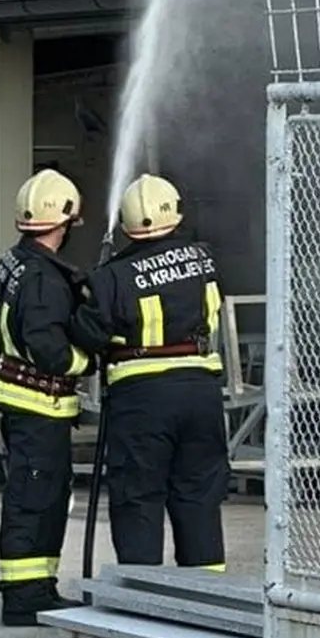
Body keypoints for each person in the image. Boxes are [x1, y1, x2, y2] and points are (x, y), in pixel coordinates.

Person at [82, 174, 230, 571]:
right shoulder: (205, 258)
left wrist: (94, 289)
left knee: (138, 497)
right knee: (199, 494)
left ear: (128, 223)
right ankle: (206, 596)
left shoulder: (113, 275)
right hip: (201, 390)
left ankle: (141, 598)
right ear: (176, 212)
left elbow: (89, 332)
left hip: (142, 397)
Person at [0, 168, 101, 627]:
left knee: (40, 495)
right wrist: (88, 360)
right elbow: (49, 350)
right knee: (35, 499)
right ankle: (26, 596)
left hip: (24, 402)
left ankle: (37, 588)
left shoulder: (15, 261)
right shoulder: (41, 278)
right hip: (38, 404)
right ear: (64, 221)